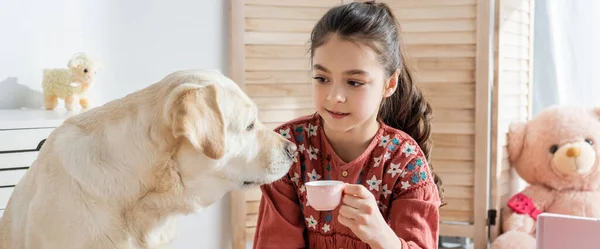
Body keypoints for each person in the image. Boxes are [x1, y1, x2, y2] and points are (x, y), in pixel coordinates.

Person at [252, 1, 444, 249]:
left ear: (390, 84)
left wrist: (383, 238)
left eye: (354, 82)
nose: (334, 96)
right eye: (322, 78)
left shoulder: (405, 162)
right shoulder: (289, 148)